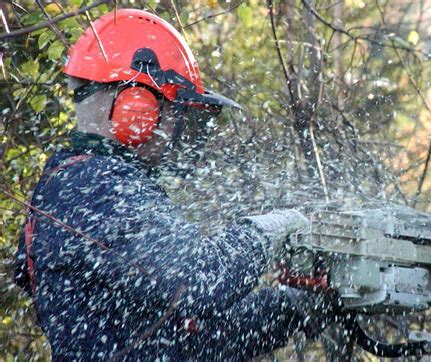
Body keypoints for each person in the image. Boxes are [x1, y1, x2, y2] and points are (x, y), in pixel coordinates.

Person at [15, 9, 336, 360]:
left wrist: (294, 306)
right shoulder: (93, 188)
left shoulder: (80, 184)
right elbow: (202, 279)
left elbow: (190, 338)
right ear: (136, 108)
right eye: (173, 113)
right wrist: (272, 228)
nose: (176, 132)